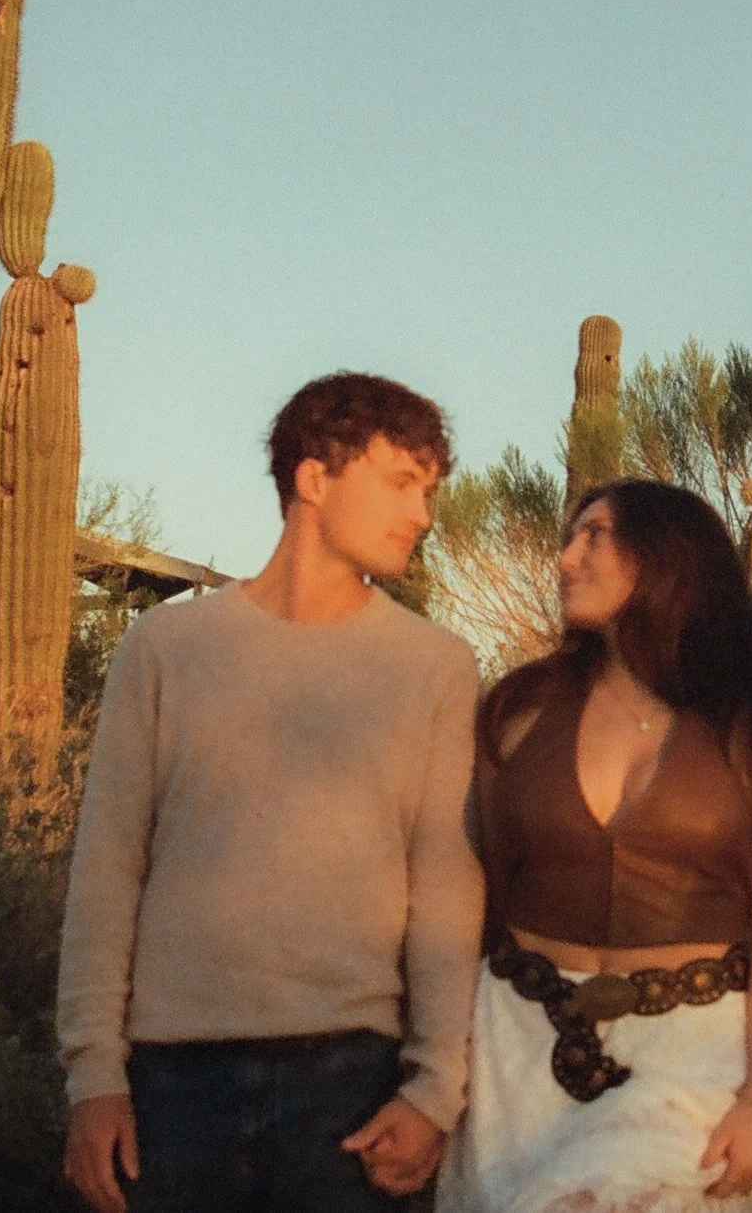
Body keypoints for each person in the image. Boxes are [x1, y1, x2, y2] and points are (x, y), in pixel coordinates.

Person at [57, 372, 485, 1213]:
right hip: (168, 1083)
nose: (423, 515)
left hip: (351, 1087)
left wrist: (435, 1088)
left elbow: (445, 888)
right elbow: (107, 867)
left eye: (429, 491)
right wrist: (93, 1076)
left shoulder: (435, 666)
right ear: (314, 477)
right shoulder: (166, 647)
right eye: (402, 482)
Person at [436, 478, 752, 1212]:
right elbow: (471, 892)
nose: (566, 558)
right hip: (516, 1049)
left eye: (594, 536)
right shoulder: (520, 702)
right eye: (569, 538)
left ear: (665, 554)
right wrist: (435, 1073)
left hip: (694, 1050)